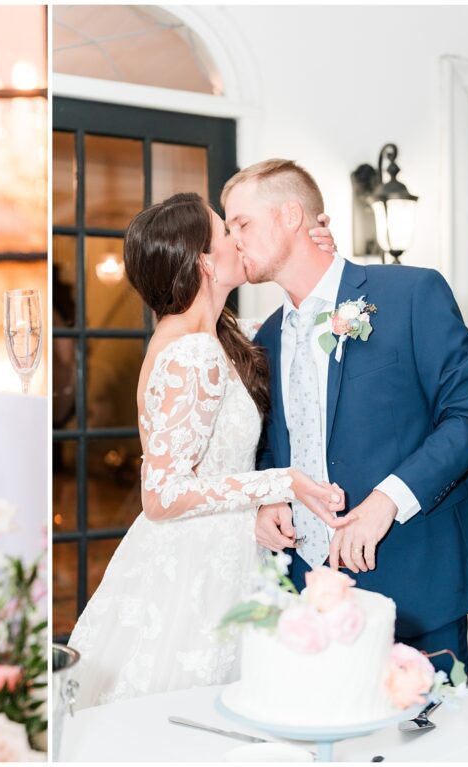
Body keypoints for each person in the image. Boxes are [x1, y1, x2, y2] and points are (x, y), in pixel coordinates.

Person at [223, 159, 468, 677]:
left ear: (290, 215)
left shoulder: (411, 294)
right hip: (306, 594)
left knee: (430, 747)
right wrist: (268, 500)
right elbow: (269, 444)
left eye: (241, 223)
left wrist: (386, 501)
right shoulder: (265, 339)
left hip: (416, 580)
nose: (233, 238)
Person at [67, 192, 346, 709]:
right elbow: (162, 495)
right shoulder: (192, 352)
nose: (239, 239)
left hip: (226, 549)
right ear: (203, 261)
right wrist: (280, 482)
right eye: (226, 231)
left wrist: (315, 254)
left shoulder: (208, 337)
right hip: (194, 562)